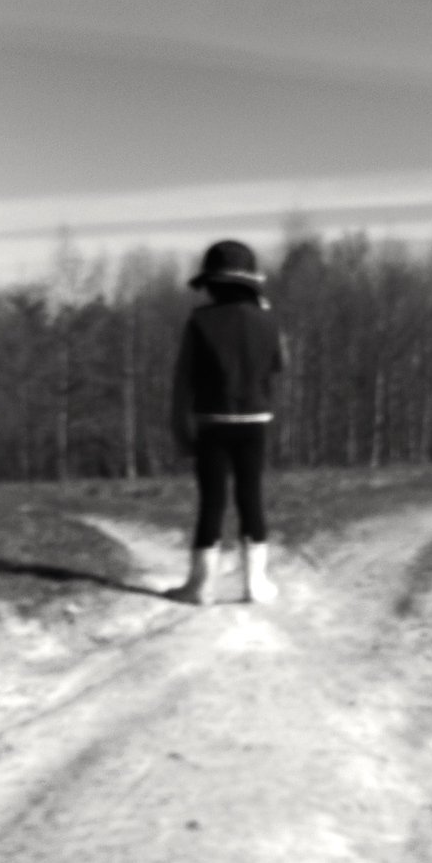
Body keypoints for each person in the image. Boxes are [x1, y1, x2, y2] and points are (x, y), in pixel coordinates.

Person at [167, 239, 283, 605]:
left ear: (212, 284)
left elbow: (183, 379)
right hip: (254, 420)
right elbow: (281, 364)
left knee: (212, 501)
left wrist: (179, 427)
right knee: (251, 497)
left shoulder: (200, 321)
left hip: (211, 420)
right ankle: (256, 584)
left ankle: (201, 586)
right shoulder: (268, 320)